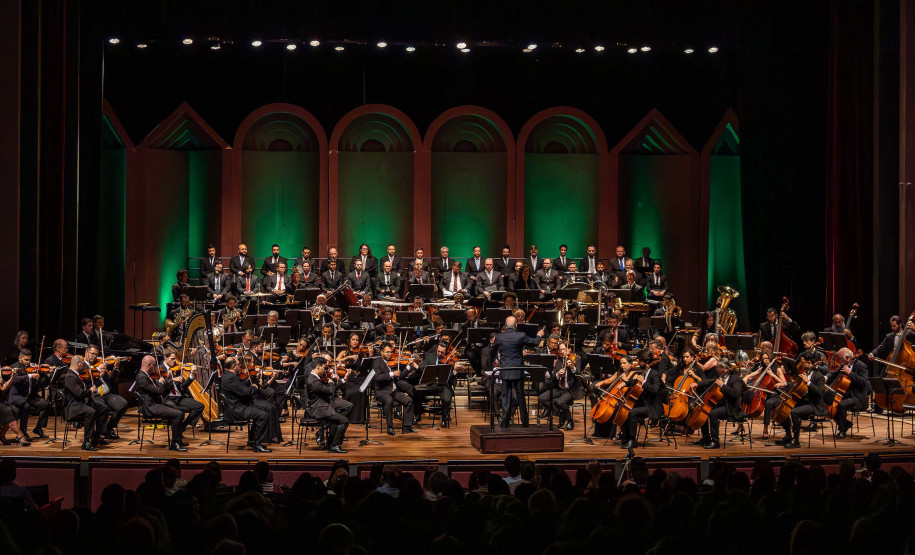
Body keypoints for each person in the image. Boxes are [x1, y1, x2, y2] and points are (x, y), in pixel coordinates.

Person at [491, 316, 544, 428]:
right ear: (516, 326)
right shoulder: (521, 335)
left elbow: (492, 351)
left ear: (505, 326)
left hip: (505, 370)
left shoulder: (499, 337)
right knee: (520, 397)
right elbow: (534, 343)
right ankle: (525, 422)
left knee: (506, 397)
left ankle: (504, 423)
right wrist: (539, 335)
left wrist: (493, 361)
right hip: (517, 370)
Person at [134, 355, 192, 451]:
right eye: (154, 365)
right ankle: (174, 444)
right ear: (149, 365)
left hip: (157, 404)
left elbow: (157, 389)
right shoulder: (141, 378)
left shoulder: (147, 375)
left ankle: (178, 440)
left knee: (184, 410)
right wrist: (161, 382)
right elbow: (158, 391)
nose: (156, 368)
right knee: (178, 414)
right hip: (151, 407)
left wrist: (166, 379)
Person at [618, 345, 667, 449]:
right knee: (625, 408)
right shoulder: (644, 372)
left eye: (640, 361)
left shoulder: (655, 374)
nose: (638, 363)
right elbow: (634, 381)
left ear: (645, 361)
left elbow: (655, 389)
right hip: (644, 404)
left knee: (632, 412)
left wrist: (643, 382)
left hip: (652, 407)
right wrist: (625, 383)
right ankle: (626, 437)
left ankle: (632, 440)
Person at [220, 357, 271, 452]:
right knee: (263, 415)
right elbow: (246, 392)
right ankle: (257, 444)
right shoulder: (231, 378)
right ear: (233, 366)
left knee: (262, 410)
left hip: (237, 406)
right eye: (239, 364)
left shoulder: (226, 375)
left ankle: (252, 441)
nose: (240, 366)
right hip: (237, 409)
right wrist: (255, 387)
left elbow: (240, 389)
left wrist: (248, 382)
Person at [776, 357, 828, 449]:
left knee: (794, 412)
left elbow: (819, 392)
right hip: (804, 401)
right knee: (785, 408)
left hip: (814, 405)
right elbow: (796, 384)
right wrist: (784, 384)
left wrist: (808, 382)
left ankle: (796, 441)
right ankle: (788, 436)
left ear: (809, 362)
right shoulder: (806, 373)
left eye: (803, 362)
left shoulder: (819, 376)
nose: (802, 364)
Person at [692, 360, 746, 449]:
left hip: (732, 407)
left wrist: (722, 386)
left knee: (713, 414)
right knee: (704, 410)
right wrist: (697, 384)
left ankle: (715, 442)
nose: (716, 369)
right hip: (723, 404)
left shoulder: (736, 379)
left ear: (723, 368)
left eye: (717, 367)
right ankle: (706, 438)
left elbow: (736, 393)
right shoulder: (723, 377)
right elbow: (710, 381)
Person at [62, 356, 111, 451]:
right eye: (83, 364)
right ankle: (86, 441)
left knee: (103, 408)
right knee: (91, 411)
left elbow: (90, 387)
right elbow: (79, 394)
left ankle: (97, 437)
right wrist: (90, 391)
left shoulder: (77, 375)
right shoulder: (70, 376)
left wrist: (99, 378)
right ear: (78, 364)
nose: (85, 366)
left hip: (81, 403)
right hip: (74, 406)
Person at [305, 357, 352, 453]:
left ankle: (331, 442)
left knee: (346, 408)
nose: (325, 370)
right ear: (318, 367)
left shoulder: (316, 378)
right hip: (319, 408)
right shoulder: (314, 381)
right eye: (324, 368)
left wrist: (342, 380)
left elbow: (328, 390)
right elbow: (330, 391)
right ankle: (334, 445)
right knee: (344, 421)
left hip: (323, 403)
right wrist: (330, 382)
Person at [82, 345, 128, 438]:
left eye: (96, 354)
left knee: (123, 404)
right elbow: (88, 382)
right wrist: (98, 371)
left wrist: (115, 368)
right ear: (86, 353)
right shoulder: (82, 365)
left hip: (107, 393)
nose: (94, 356)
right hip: (94, 395)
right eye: (92, 354)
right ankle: (99, 434)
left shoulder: (101, 363)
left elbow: (111, 381)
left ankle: (109, 428)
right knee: (103, 407)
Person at [373, 343, 417, 435]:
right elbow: (377, 377)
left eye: (390, 352)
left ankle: (407, 426)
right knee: (389, 400)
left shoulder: (389, 363)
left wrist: (409, 366)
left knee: (408, 400)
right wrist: (392, 374)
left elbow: (400, 377)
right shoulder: (377, 361)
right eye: (387, 352)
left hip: (392, 390)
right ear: (381, 352)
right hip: (382, 391)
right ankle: (389, 427)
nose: (389, 354)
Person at [538, 342, 583, 431]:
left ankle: (570, 421)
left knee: (560, 402)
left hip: (570, 389)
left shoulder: (576, 359)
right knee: (542, 398)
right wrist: (558, 374)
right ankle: (560, 414)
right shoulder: (558, 362)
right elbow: (553, 378)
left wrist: (572, 368)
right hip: (559, 388)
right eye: (561, 350)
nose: (562, 352)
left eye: (564, 349)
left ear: (569, 349)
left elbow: (578, 374)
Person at [7, 349, 50, 440]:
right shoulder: (13, 367)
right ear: (20, 358)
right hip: (17, 396)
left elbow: (41, 384)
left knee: (46, 404)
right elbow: (15, 380)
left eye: (29, 360)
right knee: (26, 406)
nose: (28, 362)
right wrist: (30, 376)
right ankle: (23, 432)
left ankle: (38, 428)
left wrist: (46, 375)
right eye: (26, 360)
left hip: (30, 396)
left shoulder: (33, 368)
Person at [828, 347, 871, 439]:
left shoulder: (861, 366)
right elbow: (834, 374)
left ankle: (842, 430)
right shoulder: (844, 365)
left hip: (857, 397)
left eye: (840, 358)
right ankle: (846, 424)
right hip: (845, 395)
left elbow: (864, 382)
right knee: (829, 402)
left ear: (847, 358)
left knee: (840, 405)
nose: (838, 360)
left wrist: (850, 373)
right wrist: (826, 377)